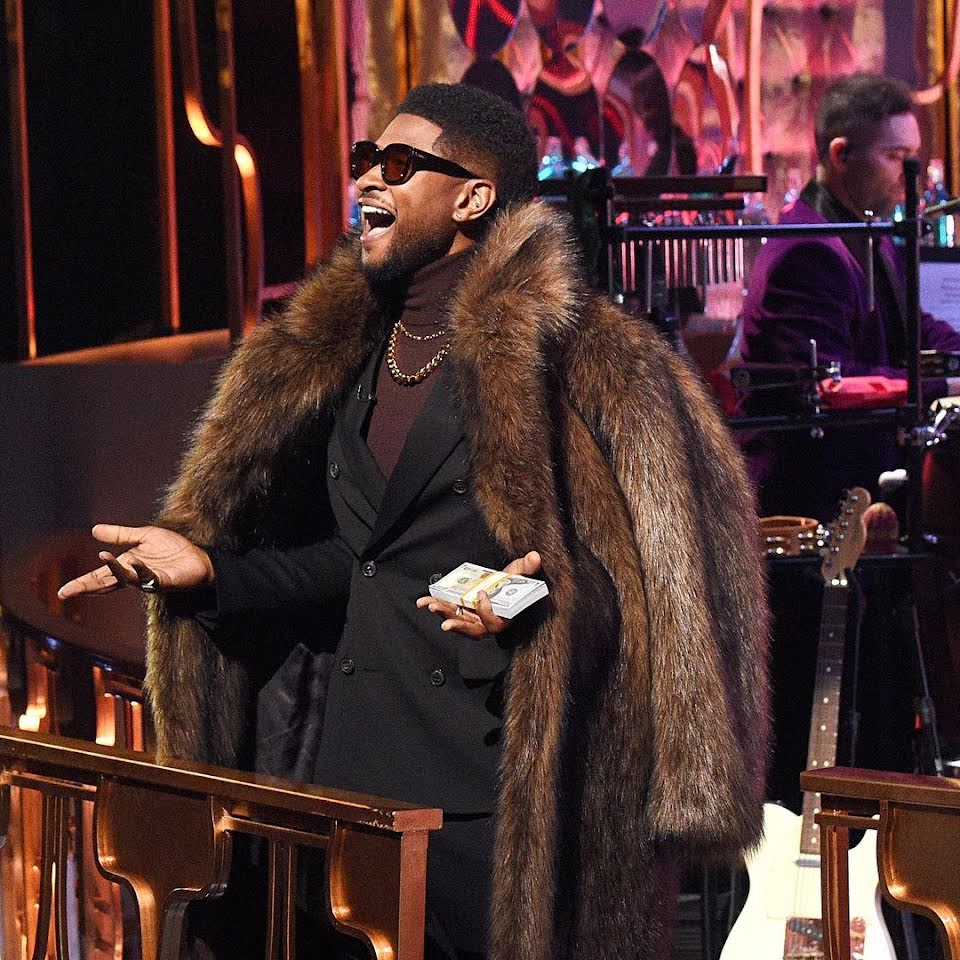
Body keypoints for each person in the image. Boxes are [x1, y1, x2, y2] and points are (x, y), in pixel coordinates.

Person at [59, 82, 769, 960]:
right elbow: (359, 560)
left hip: (491, 798)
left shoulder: (585, 358)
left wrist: (529, 604)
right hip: (348, 780)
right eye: (365, 159)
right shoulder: (347, 352)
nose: (366, 178)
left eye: (397, 164)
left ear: (472, 198)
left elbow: (652, 602)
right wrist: (212, 571)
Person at [741, 72, 960, 521]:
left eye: (913, 157)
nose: (911, 175)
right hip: (811, 502)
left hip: (859, 480)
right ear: (841, 155)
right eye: (896, 157)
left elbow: (915, 327)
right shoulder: (806, 251)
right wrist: (947, 385)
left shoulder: (865, 228)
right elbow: (835, 385)